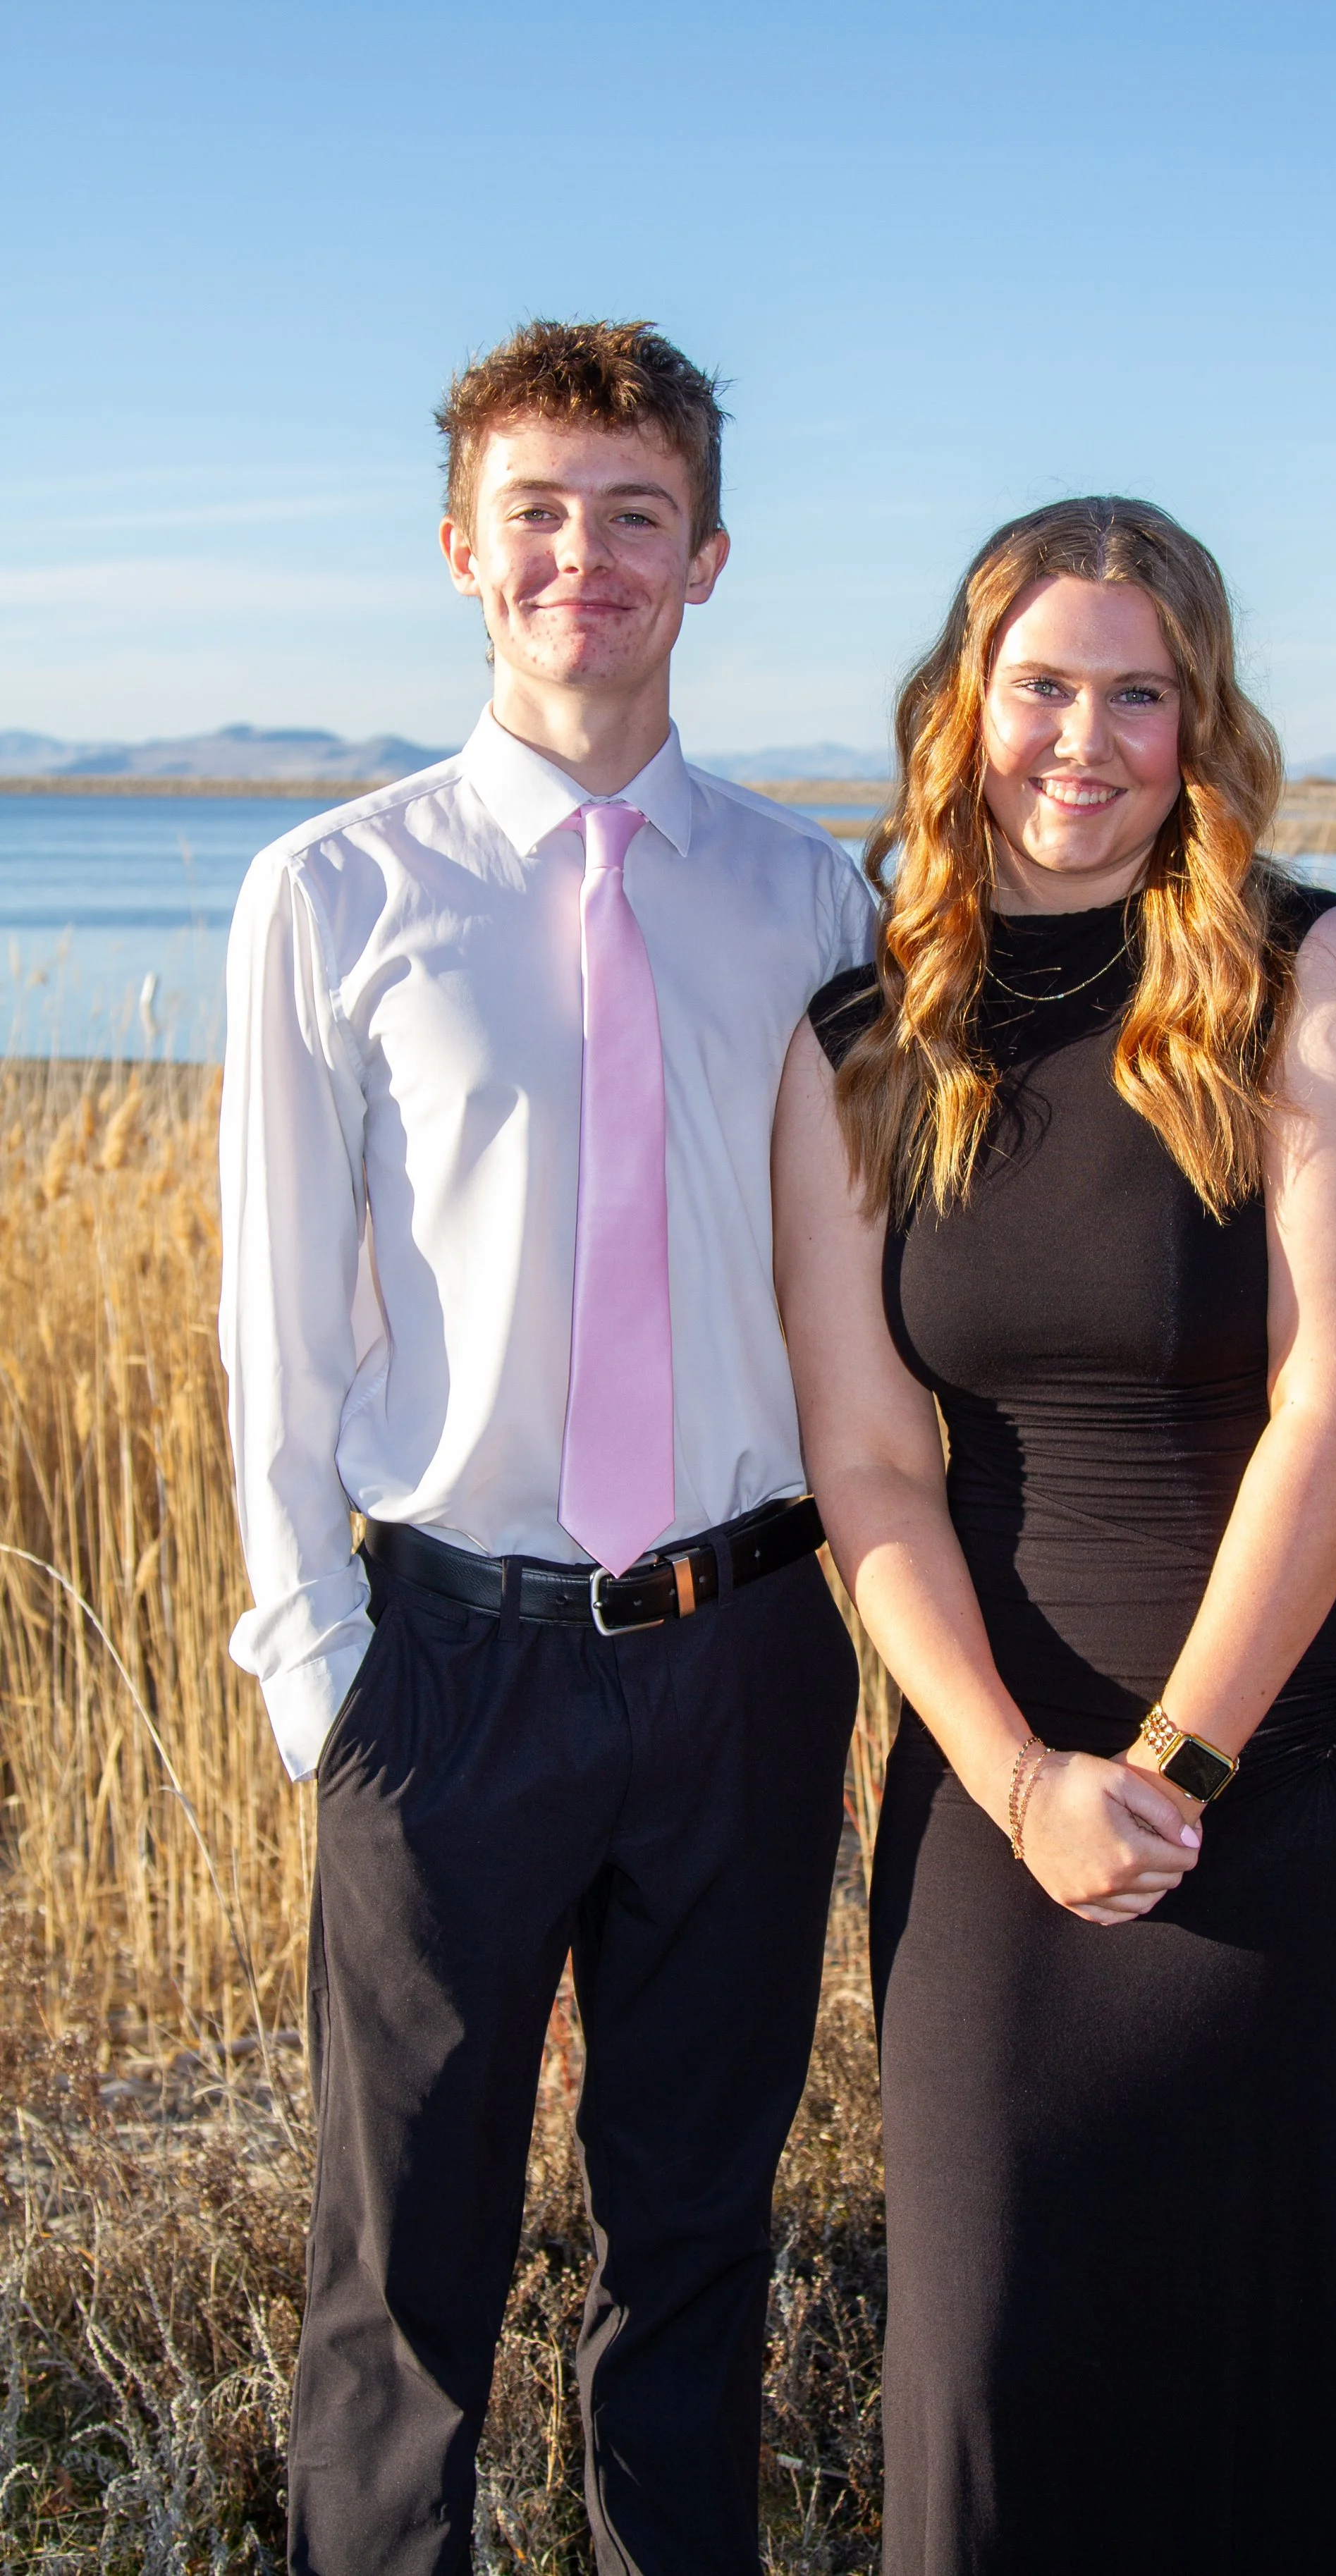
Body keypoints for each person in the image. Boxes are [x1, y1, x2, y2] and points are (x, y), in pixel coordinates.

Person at [772, 496, 1336, 2572]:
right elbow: (867, 1457)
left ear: (1197, 722)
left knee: (1295, 2318)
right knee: (999, 2340)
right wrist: (1018, 1779)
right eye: (1039, 687)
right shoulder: (861, 1041)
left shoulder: (1302, 969)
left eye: (1136, 692)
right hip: (998, 1751)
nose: (1079, 740)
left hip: (1302, 1738)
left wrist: (1171, 1768)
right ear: (960, 708)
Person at [219, 318, 874, 2576]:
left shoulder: (818, 906)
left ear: (705, 556)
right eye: (535, 512)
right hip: (450, 1666)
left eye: (630, 514)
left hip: (744, 1655)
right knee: (400, 2281)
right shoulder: (331, 892)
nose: (580, 556)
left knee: (696, 2242)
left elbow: (864, 1302)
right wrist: (328, 1675)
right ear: (458, 552)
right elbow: (274, 1323)